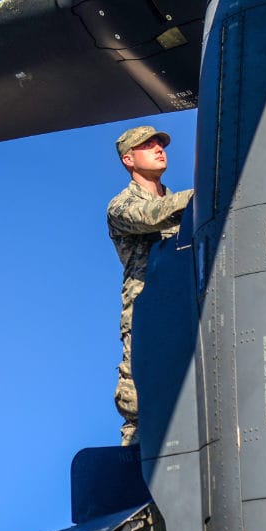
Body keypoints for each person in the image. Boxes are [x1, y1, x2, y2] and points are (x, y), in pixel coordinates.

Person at [106, 125, 193, 445]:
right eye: (148, 145)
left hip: (186, 309)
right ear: (129, 159)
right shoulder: (121, 206)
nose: (159, 149)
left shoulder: (183, 203)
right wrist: (205, 195)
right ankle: (138, 469)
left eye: (160, 143)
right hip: (146, 312)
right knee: (140, 402)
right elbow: (150, 215)